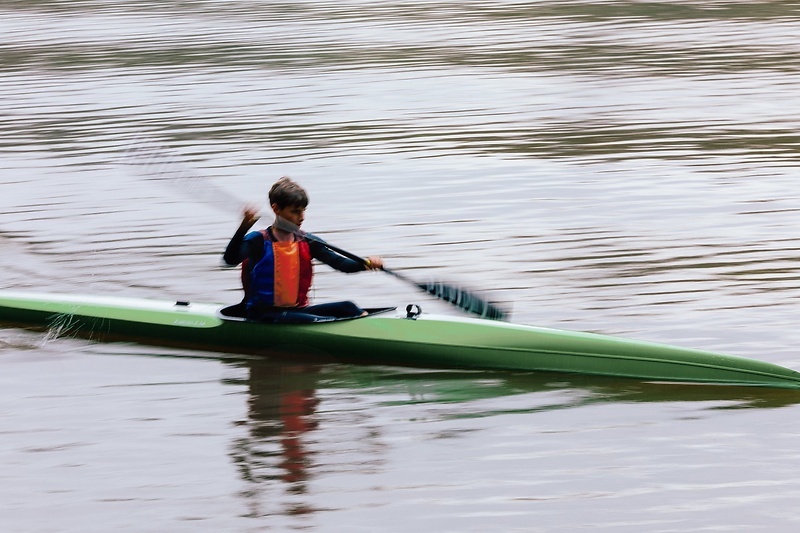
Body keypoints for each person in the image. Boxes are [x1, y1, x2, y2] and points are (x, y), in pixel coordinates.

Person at [223, 177, 383, 323]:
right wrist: (243, 228)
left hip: (297, 310)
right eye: (295, 211)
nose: (302, 217)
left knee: (348, 307)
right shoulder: (258, 240)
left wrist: (365, 264)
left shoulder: (308, 241)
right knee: (318, 320)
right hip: (264, 314)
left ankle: (368, 327)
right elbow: (230, 259)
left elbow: (340, 263)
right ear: (276, 209)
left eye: (303, 210)